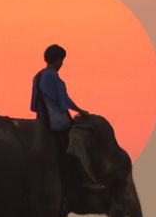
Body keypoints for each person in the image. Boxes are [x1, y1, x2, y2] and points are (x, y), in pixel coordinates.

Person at [30, 44, 102, 188]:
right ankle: (83, 175)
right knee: (80, 140)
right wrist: (81, 111)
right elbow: (64, 100)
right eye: (61, 60)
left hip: (42, 118)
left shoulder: (38, 76)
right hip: (55, 120)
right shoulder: (52, 76)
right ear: (57, 60)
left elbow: (34, 104)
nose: (62, 64)